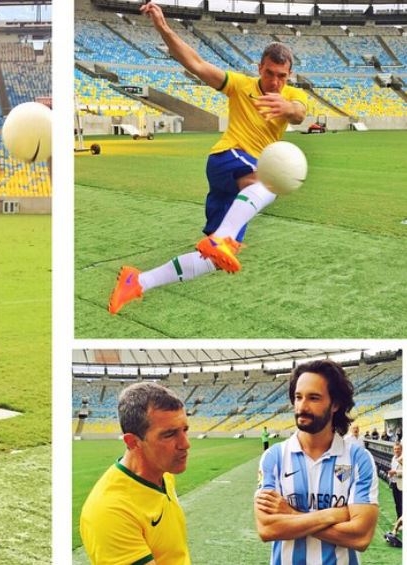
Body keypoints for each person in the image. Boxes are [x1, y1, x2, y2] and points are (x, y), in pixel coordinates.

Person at [108, 2, 308, 315]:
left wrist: (288, 108)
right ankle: (223, 238)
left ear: (289, 75)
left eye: (281, 76)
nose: (275, 82)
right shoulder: (241, 87)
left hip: (243, 184)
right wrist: (163, 28)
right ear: (259, 68)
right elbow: (197, 64)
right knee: (270, 183)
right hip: (227, 159)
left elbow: (299, 113)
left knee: (212, 262)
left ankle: (138, 282)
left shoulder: (294, 96)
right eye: (269, 73)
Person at [254, 359, 379, 564]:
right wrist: (336, 514)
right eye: (298, 397)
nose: (302, 407)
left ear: (335, 404)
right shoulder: (273, 457)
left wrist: (291, 514)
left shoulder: (359, 459)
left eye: (313, 398)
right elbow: (267, 529)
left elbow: (361, 536)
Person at [80, 382, 191, 564]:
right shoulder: (110, 512)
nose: (186, 444)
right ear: (132, 442)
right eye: (169, 434)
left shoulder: (163, 474)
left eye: (185, 430)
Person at [388, 443, 403, 521]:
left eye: (398, 449)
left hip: (401, 485)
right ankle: (399, 520)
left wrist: (395, 472)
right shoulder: (393, 458)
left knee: (402, 504)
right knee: (397, 503)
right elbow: (392, 469)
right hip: (394, 483)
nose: (396, 450)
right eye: (395, 449)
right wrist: (390, 474)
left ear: (401, 449)